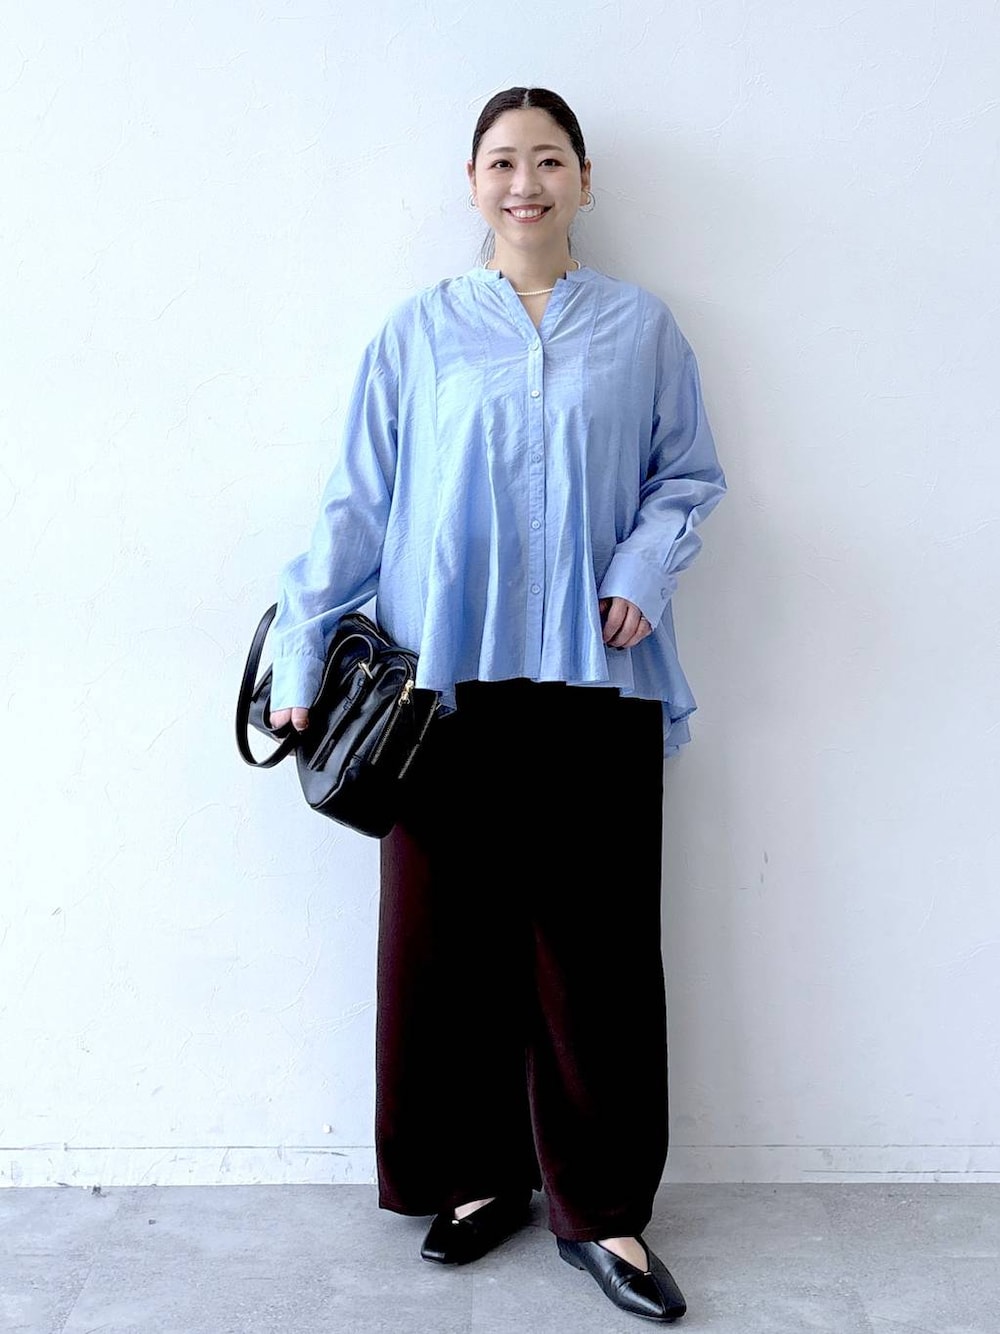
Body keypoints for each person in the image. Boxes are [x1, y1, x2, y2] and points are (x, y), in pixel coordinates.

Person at [267, 86, 727, 1324]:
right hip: (438, 686)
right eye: (503, 161)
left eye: (549, 160)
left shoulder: (641, 328)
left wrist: (641, 568)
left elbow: (687, 475)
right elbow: (356, 501)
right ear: (471, 181)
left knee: (597, 956)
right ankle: (477, 1176)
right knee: (443, 944)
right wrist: (305, 651)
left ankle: (602, 1209)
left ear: (584, 178)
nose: (526, 182)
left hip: (597, 677)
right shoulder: (417, 333)